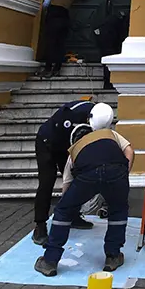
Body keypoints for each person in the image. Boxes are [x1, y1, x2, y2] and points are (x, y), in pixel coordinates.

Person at [35, 102, 133, 277]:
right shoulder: (110, 135)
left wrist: (67, 207)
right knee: (118, 210)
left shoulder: (74, 150)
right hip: (117, 170)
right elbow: (129, 151)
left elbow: (67, 185)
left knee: (63, 211)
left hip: (88, 173)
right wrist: (123, 175)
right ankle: (113, 256)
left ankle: (50, 261)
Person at [32, 97, 96, 245]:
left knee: (77, 179)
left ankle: (73, 215)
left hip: (66, 146)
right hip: (47, 142)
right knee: (47, 181)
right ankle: (40, 225)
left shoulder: (96, 119)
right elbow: (62, 134)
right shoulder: (71, 114)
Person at [39, 0, 75, 77]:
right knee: (60, 45)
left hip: (53, 17)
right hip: (64, 18)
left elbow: (46, 4)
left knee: (50, 44)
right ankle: (57, 69)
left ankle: (48, 69)